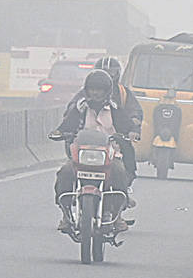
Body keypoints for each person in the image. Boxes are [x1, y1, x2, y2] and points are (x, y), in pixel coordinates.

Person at [50, 70, 135, 234]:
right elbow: (67, 125)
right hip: (81, 158)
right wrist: (60, 133)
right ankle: (66, 214)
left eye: (99, 89)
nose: (95, 93)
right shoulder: (80, 108)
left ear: (107, 91)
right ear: (87, 90)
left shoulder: (115, 109)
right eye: (92, 89)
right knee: (65, 173)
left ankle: (117, 216)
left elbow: (128, 126)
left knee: (119, 173)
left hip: (110, 157)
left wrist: (131, 133)